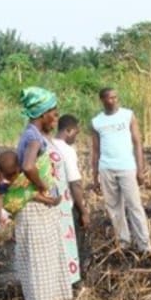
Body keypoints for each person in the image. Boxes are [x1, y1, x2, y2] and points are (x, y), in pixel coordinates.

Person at [15, 87, 73, 300]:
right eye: (53, 112)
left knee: (38, 265)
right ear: (42, 113)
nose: (56, 117)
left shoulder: (33, 133)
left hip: (38, 210)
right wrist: (42, 186)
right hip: (36, 212)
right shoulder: (34, 137)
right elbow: (28, 166)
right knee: (40, 266)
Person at [91, 88, 151, 254]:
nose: (113, 101)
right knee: (114, 208)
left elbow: (137, 143)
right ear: (102, 100)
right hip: (106, 168)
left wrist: (140, 169)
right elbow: (95, 151)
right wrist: (94, 176)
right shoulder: (97, 122)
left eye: (115, 97)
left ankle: (144, 245)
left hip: (126, 167)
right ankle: (124, 243)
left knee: (135, 206)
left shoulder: (128, 115)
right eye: (109, 98)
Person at [51, 114, 90, 285]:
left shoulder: (47, 145)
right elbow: (75, 184)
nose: (76, 137)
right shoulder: (67, 151)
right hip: (66, 207)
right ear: (68, 131)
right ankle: (74, 281)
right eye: (76, 133)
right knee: (73, 244)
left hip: (49, 204)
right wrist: (83, 211)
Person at [0, 150, 60, 220]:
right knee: (31, 194)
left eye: (13, 174)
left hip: (19, 203)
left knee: (31, 193)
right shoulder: (3, 183)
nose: (13, 177)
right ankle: (50, 201)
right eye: (11, 175)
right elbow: (0, 199)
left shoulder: (20, 176)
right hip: (15, 199)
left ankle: (51, 201)